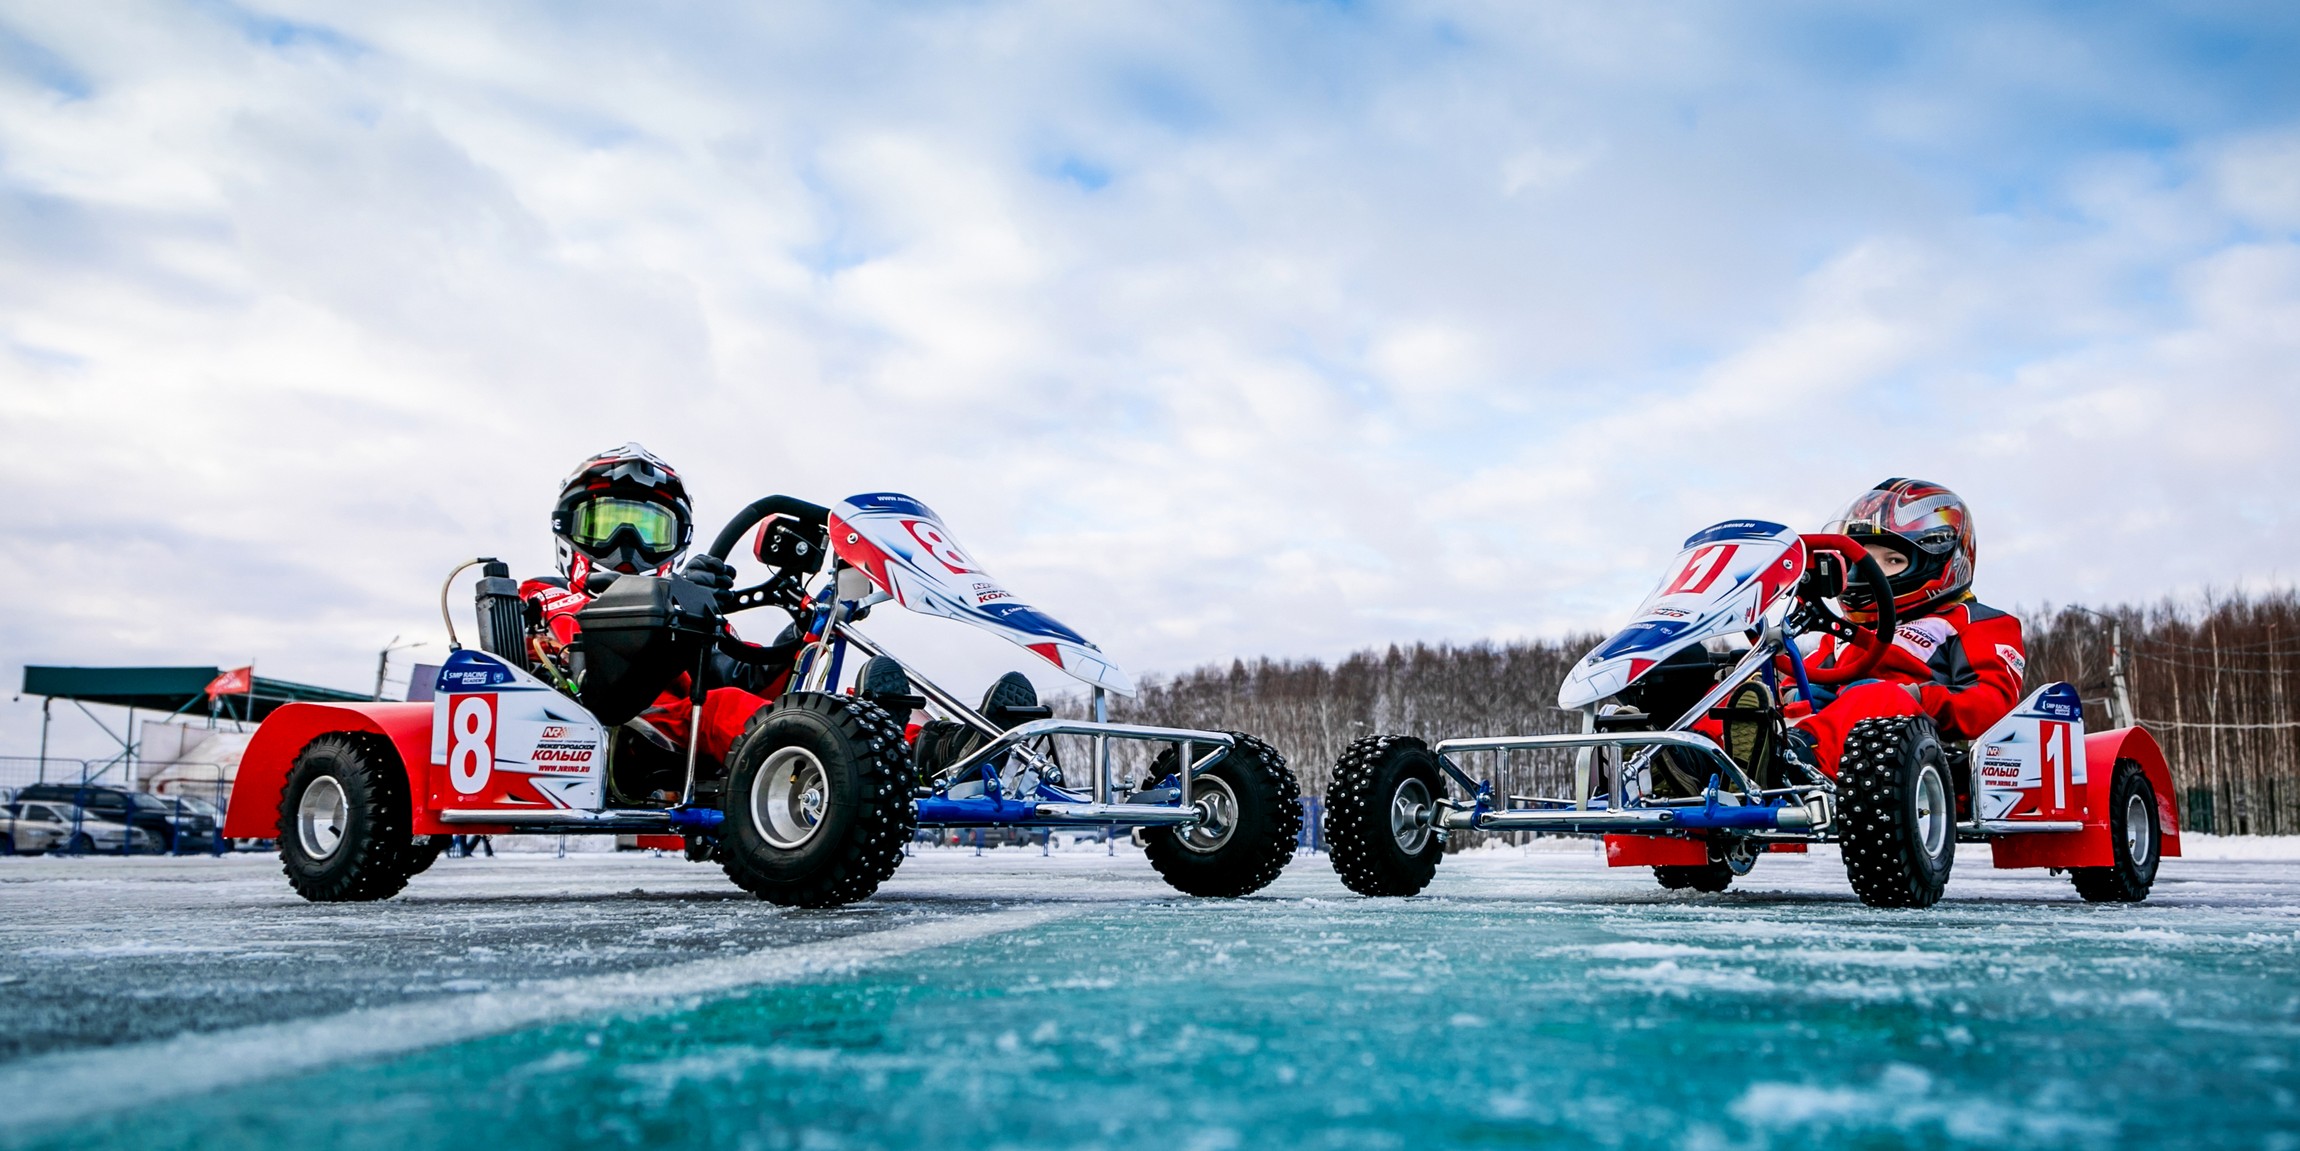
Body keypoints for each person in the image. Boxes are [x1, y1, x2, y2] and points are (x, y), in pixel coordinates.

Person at [1718, 478, 2026, 781]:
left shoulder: (1976, 622)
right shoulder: (1845, 633)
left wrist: (1921, 697)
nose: (1868, 572)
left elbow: (1992, 701)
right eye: (1862, 560)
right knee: (1749, 686)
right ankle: (1695, 759)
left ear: (1939, 561)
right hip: (1833, 731)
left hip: (1910, 750)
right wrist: (1774, 685)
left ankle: (1790, 759)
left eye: (1891, 560)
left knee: (1875, 695)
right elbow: (1811, 678)